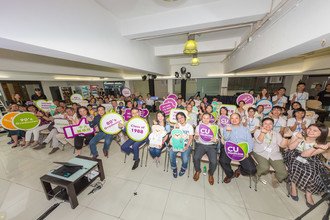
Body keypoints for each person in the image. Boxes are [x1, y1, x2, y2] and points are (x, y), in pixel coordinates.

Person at [284, 124, 329, 207]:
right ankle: (293, 186)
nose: (310, 131)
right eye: (309, 128)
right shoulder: (298, 134)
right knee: (296, 166)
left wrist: (316, 147)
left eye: (315, 130)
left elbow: (305, 155)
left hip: (310, 157)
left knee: (313, 173)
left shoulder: (322, 144)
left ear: (321, 133)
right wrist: (298, 139)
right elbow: (290, 147)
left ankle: (308, 193)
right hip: (293, 154)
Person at [219, 113, 256, 183]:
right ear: (230, 120)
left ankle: (240, 169)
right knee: (222, 161)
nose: (234, 120)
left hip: (242, 150)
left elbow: (250, 142)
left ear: (240, 119)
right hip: (229, 148)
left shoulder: (245, 129)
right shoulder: (226, 127)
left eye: (236, 118)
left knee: (252, 170)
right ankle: (230, 175)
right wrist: (228, 131)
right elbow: (226, 139)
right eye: (232, 118)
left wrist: (247, 152)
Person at [252, 118, 288, 188]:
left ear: (273, 125)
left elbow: (282, 145)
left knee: (283, 173)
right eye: (265, 123)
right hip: (260, 152)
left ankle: (275, 177)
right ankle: (257, 175)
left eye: (270, 124)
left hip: (274, 154)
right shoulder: (257, 131)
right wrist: (263, 132)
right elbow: (259, 141)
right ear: (262, 124)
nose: (268, 125)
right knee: (264, 167)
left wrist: (286, 137)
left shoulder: (277, 134)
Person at [193, 113, 219, 185]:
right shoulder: (198, 127)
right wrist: (196, 137)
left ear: (210, 119)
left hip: (211, 146)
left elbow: (217, 140)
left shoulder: (214, 127)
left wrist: (215, 140)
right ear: (202, 118)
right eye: (204, 118)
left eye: (207, 118)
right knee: (195, 158)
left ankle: (210, 174)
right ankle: (198, 171)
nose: (206, 120)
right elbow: (196, 138)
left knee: (214, 162)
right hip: (201, 145)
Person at [169, 112, 194, 178]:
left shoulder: (189, 126)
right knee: (171, 153)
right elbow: (174, 135)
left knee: (185, 157)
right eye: (178, 118)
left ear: (185, 117)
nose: (180, 119)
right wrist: (176, 128)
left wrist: (187, 146)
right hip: (177, 143)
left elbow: (191, 138)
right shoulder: (177, 125)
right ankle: (174, 168)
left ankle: (183, 168)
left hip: (186, 144)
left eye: (181, 117)